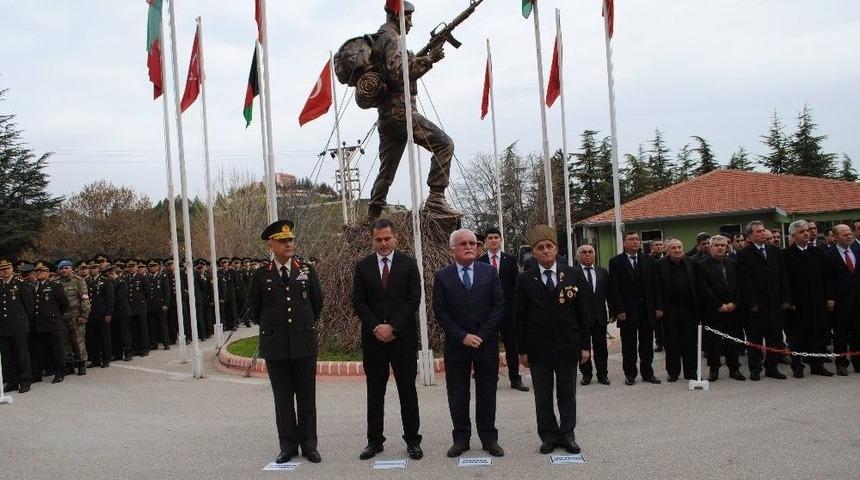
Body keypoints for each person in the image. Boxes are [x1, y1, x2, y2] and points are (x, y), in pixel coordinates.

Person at [365, 1, 458, 221]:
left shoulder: (381, 39)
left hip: (387, 116)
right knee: (444, 144)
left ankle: (372, 214)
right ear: (396, 15)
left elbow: (396, 72)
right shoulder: (392, 39)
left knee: (386, 171)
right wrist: (429, 59)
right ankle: (436, 200)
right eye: (408, 17)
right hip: (401, 112)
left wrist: (418, 59)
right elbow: (399, 75)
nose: (411, 23)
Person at [249, 220, 323, 464]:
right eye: (283, 241)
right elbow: (255, 311)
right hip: (276, 346)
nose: (288, 244)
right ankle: (288, 446)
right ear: (271, 244)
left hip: (303, 343)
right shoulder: (261, 275)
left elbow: (317, 304)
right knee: (282, 399)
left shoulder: (307, 271)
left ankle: (309, 446)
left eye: (290, 240)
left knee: (306, 398)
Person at [515, 225, 590, 455]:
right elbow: (519, 317)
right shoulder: (525, 279)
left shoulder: (573, 274)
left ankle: (568, 434)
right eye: (540, 248)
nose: (545, 251)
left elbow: (584, 312)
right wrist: (522, 350)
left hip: (568, 344)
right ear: (533, 253)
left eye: (549, 246)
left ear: (556, 249)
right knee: (543, 394)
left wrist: (585, 345)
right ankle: (548, 435)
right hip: (538, 348)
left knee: (567, 392)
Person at [352, 218, 423, 461]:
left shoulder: (409, 264)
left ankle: (413, 441)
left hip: (402, 338)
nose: (383, 243)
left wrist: (392, 327)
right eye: (378, 239)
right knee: (375, 391)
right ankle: (374, 441)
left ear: (395, 238)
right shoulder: (363, 266)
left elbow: (413, 300)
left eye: (387, 239)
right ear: (372, 240)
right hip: (374, 340)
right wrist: (377, 327)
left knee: (407, 390)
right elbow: (358, 302)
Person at [433, 228, 504, 458]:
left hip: (486, 343)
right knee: (457, 393)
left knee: (487, 391)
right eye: (463, 243)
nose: (469, 246)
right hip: (456, 345)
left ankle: (489, 438)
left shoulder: (489, 273)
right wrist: (462, 335)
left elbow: (498, 306)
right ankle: (461, 439)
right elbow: (440, 311)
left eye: (473, 243)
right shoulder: (443, 276)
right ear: (453, 248)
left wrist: (482, 334)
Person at [737, 221, 791, 381]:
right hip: (755, 306)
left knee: (774, 338)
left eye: (763, 230)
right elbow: (744, 280)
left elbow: (783, 275)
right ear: (750, 235)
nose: (762, 233)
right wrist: (752, 302)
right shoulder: (744, 254)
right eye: (759, 231)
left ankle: (772, 368)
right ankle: (755, 369)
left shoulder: (775, 251)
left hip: (774, 303)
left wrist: (785, 298)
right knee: (755, 340)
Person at [477, 227, 528, 391]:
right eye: (490, 237)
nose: (493, 240)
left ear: (501, 240)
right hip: (488, 313)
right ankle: (491, 379)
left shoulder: (510, 260)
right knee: (489, 348)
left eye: (496, 237)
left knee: (511, 346)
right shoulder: (480, 261)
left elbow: (516, 285)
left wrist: (516, 307)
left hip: (508, 312)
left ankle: (515, 379)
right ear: (486, 241)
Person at [608, 232, 663, 385]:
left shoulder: (649, 260)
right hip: (627, 311)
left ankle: (648, 373)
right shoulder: (616, 262)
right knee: (629, 346)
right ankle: (630, 374)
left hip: (647, 310)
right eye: (631, 239)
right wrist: (618, 310)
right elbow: (614, 288)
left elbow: (656, 285)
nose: (635, 242)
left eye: (637, 239)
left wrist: (659, 306)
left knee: (646, 345)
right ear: (624, 243)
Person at [783, 220, 833, 378]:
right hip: (797, 304)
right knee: (797, 337)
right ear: (792, 236)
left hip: (817, 302)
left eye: (807, 231)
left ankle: (817, 365)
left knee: (817, 335)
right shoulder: (786, 255)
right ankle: (797, 367)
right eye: (802, 231)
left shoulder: (817, 252)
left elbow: (826, 277)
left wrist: (828, 297)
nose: (806, 233)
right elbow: (784, 280)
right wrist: (788, 301)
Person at [696, 235, 745, 381]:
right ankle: (714, 369)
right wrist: (719, 305)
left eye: (722, 245)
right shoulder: (701, 265)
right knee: (714, 343)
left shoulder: (732, 263)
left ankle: (734, 369)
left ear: (726, 247)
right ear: (710, 247)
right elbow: (704, 288)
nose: (720, 248)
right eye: (716, 245)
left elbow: (738, 285)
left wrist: (734, 303)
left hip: (732, 309)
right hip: (714, 311)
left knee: (733, 341)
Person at [655, 239, 700, 382]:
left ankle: (691, 371)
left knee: (690, 342)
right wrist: (659, 307)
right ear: (667, 251)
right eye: (673, 248)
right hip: (670, 310)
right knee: (671, 342)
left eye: (679, 247)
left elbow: (698, 286)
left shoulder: (691, 263)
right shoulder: (659, 265)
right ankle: (673, 372)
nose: (677, 250)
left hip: (689, 309)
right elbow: (656, 289)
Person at [823, 224, 860, 376]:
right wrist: (830, 298)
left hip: (858, 300)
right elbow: (827, 279)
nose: (849, 236)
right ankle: (841, 364)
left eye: (850, 233)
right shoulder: (828, 255)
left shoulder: (858, 251)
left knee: (858, 333)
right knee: (841, 335)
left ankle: (858, 363)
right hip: (840, 302)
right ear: (836, 237)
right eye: (845, 234)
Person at [575, 244, 610, 386]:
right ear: (578, 256)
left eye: (590, 252)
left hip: (599, 317)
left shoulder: (602, 272)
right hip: (580, 318)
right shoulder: (573, 272)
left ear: (594, 254)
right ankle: (586, 374)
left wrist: (613, 311)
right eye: (584, 252)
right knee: (583, 347)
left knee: (601, 348)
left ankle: (603, 374)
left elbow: (609, 294)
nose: (587, 254)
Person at [29, 261, 70, 384]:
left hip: (52, 323)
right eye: (36, 271)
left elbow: (64, 303)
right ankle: (36, 374)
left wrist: (55, 315)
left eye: (41, 271)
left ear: (48, 273)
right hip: (37, 324)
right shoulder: (32, 287)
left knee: (56, 349)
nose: (38, 273)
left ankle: (60, 372)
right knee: (38, 350)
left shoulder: (54, 286)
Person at [0, 257, 34, 393]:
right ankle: (11, 381)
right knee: (6, 355)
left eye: (7, 268)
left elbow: (29, 306)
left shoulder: (20, 283)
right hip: (3, 325)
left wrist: (25, 322)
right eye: (2, 269)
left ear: (12, 269)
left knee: (21, 353)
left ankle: (25, 380)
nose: (4, 271)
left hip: (18, 325)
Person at [57, 259, 91, 376]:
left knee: (78, 341)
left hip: (76, 316)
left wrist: (84, 315)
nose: (64, 270)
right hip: (62, 316)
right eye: (61, 268)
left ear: (71, 268)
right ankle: (69, 365)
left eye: (66, 268)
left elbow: (85, 299)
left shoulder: (78, 281)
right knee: (64, 342)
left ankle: (81, 364)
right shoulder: (57, 282)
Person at [86, 262, 114, 368]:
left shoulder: (105, 281)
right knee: (93, 339)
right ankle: (95, 360)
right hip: (91, 314)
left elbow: (110, 299)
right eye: (90, 268)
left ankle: (106, 359)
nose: (92, 270)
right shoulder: (86, 281)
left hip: (103, 314)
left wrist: (109, 314)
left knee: (104, 337)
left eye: (94, 268)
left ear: (98, 269)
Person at [108, 265, 133, 362]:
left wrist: (109, 300)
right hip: (114, 312)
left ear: (112, 273)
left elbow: (119, 297)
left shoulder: (121, 282)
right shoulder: (110, 283)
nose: (107, 278)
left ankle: (128, 353)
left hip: (122, 312)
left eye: (108, 275)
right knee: (116, 334)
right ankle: (117, 354)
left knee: (124, 333)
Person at [146, 260, 170, 351]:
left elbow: (167, 292)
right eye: (150, 266)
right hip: (151, 305)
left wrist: (166, 304)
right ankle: (154, 343)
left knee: (163, 325)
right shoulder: (147, 277)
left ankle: (166, 343)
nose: (152, 268)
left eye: (154, 266)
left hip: (160, 305)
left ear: (158, 267)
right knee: (152, 326)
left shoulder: (162, 276)